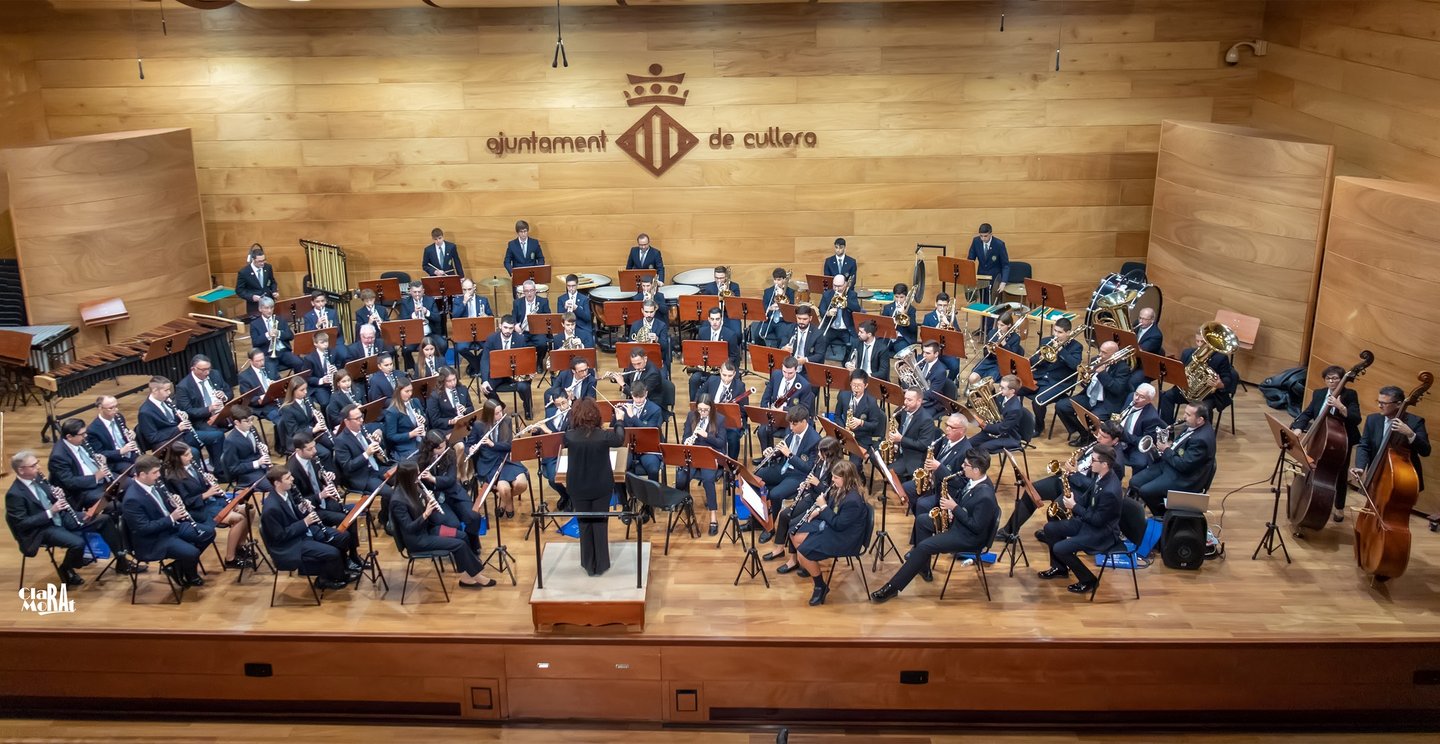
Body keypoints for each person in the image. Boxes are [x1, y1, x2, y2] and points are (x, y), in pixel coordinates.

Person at [870, 449, 998, 603]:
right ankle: (923, 568)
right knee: (922, 520)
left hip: (968, 537)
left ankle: (892, 587)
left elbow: (976, 527)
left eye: (966, 465)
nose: (962, 467)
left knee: (924, 546)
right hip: (959, 524)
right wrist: (952, 509)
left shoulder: (986, 496)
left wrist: (954, 508)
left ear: (976, 470)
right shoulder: (975, 481)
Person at [7, 450, 140, 586]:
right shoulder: (15, 495)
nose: (38, 467)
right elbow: (22, 523)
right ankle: (66, 568)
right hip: (43, 528)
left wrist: (58, 495)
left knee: (104, 520)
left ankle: (121, 561)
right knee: (77, 543)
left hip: (61, 516)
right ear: (21, 470)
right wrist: (50, 511)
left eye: (37, 464)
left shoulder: (39, 479)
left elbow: (48, 498)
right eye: (33, 466)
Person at [999, 421, 1125, 544]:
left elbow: (1098, 488)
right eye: (1099, 434)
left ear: (1115, 441)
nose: (1098, 437)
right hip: (1071, 479)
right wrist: (1073, 466)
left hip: (1083, 493)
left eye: (1104, 437)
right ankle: (1009, 531)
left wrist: (1075, 473)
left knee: (1054, 510)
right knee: (1033, 491)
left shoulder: (1116, 463)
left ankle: (1054, 536)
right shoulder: (1098, 443)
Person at [392, 460, 496, 590]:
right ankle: (476, 576)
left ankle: (466, 576)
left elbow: (418, 508)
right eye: (416, 473)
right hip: (418, 540)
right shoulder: (397, 501)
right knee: (459, 544)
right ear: (409, 477)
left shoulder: (413, 486)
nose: (419, 475)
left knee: (462, 536)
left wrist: (427, 499)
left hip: (428, 529)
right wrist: (426, 513)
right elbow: (409, 527)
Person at [1036, 444, 1124, 594]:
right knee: (1050, 529)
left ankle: (1088, 580)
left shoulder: (1110, 490)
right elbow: (1090, 497)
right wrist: (1072, 500)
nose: (1090, 463)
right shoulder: (1101, 475)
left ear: (1104, 464)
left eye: (1093, 460)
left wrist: (1075, 507)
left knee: (1060, 548)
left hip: (1102, 533)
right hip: (1089, 522)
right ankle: (1060, 568)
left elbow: (1098, 521)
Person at [123, 455, 216, 588]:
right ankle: (190, 576)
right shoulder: (132, 499)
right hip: (153, 540)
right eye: (155, 473)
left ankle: (178, 566)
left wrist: (172, 502)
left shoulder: (154, 484)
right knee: (192, 552)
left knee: (208, 533)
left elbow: (162, 506)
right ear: (142, 474)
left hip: (170, 527)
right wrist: (172, 518)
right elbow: (144, 528)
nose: (158, 476)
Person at [161, 441, 255, 570]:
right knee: (239, 519)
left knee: (249, 511)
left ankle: (240, 546)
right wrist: (206, 494)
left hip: (212, 502)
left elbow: (202, 487)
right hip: (198, 510)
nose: (191, 457)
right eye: (186, 455)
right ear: (177, 458)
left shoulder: (192, 466)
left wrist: (208, 482)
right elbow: (186, 502)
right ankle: (230, 558)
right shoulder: (173, 477)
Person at [259, 465, 355, 591]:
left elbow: (292, 515)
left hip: (303, 531)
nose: (292, 479)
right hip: (291, 543)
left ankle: (341, 570)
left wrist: (302, 510)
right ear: (277, 483)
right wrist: (305, 522)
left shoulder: (286, 491)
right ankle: (325, 579)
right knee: (332, 552)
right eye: (288, 478)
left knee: (343, 537)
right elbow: (280, 536)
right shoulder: (271, 508)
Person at [789, 460, 872, 606]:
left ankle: (820, 586)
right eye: (833, 476)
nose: (832, 480)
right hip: (835, 527)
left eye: (836, 478)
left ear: (847, 478)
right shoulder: (840, 488)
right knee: (794, 534)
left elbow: (838, 524)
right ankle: (810, 567)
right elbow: (834, 513)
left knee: (803, 553)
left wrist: (823, 507)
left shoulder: (853, 500)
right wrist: (818, 511)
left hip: (846, 539)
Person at [1292, 366, 1363, 522]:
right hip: (1319, 438)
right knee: (1313, 466)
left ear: (1342, 379)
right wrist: (1298, 428)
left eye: (1335, 378)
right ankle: (1311, 498)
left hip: (1341, 440)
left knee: (1340, 473)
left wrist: (1341, 407)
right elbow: (1308, 413)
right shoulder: (1319, 393)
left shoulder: (1350, 394)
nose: (1332, 381)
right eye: (1329, 378)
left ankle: (1338, 507)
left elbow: (1356, 418)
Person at [564, 398, 627, 575]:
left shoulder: (569, 436)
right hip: (601, 486)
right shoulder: (604, 436)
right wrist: (619, 420)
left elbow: (564, 434)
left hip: (578, 487)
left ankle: (588, 564)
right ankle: (601, 564)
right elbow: (620, 439)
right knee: (600, 524)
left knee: (584, 524)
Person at [763, 436, 844, 572]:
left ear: (829, 454)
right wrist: (806, 485)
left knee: (793, 523)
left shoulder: (838, 469)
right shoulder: (820, 461)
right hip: (812, 497)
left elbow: (833, 495)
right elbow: (813, 481)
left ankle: (794, 559)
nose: (818, 454)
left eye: (821, 452)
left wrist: (817, 483)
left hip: (824, 505)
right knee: (784, 515)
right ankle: (779, 548)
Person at [1350, 384, 1431, 520]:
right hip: (1377, 474)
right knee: (1371, 513)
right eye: (1379, 402)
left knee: (1394, 518)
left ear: (1398, 404)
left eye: (1384, 403)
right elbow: (1364, 445)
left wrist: (1410, 434)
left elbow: (1426, 451)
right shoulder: (1373, 419)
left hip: (1401, 482)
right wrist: (1360, 466)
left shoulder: (1414, 422)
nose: (1380, 406)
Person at [1129, 402, 1216, 517]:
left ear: (1200, 419)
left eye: (1188, 415)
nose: (1184, 416)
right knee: (1135, 482)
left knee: (1146, 491)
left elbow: (1184, 465)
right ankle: (1156, 507)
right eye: (1185, 412)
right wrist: (1170, 446)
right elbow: (1182, 447)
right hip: (1171, 464)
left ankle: (1164, 516)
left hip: (1185, 477)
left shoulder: (1202, 440)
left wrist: (1166, 450)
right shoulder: (1193, 425)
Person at [902, 413, 973, 544]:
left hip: (948, 492)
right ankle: (926, 528)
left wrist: (939, 467)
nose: (947, 429)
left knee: (922, 504)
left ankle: (920, 544)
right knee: (906, 488)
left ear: (962, 431)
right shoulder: (946, 439)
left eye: (952, 427)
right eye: (947, 425)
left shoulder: (966, 450)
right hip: (935, 482)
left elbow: (961, 482)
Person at [754, 405, 819, 542]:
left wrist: (789, 455)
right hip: (783, 468)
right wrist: (773, 452)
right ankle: (757, 518)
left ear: (804, 422)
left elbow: (808, 468)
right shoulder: (791, 432)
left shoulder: (815, 440)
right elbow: (783, 449)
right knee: (756, 477)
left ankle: (769, 527)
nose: (791, 427)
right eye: (790, 423)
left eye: (794, 424)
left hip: (798, 475)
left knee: (775, 494)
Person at [1055, 341, 1133, 446]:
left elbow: (1117, 389)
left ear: (1113, 354)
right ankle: (1085, 434)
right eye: (1100, 351)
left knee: (1093, 418)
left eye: (1104, 353)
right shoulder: (1095, 360)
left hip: (1106, 402)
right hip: (1089, 397)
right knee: (1062, 406)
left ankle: (1090, 436)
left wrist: (1102, 373)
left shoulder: (1122, 368)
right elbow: (1087, 382)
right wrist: (1084, 380)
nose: (1100, 355)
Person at [418, 430, 485, 548]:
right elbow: (422, 485)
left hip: (453, 493)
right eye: (439, 448)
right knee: (453, 524)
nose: (443, 450)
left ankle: (472, 543)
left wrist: (433, 478)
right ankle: (459, 548)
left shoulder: (450, 454)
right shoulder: (421, 460)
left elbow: (451, 479)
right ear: (430, 448)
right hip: (437, 498)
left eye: (444, 446)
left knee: (474, 517)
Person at [465, 399, 531, 519]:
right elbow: (469, 444)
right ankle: (509, 503)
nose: (500, 415)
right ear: (489, 414)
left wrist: (493, 444)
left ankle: (503, 502)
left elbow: (509, 445)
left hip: (507, 460)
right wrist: (471, 449)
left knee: (522, 484)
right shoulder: (478, 426)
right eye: (496, 413)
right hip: (489, 463)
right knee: (504, 488)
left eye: (501, 411)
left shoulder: (506, 421)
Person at [332, 403, 396, 521]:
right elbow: (348, 466)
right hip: (362, 476)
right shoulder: (340, 441)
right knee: (390, 493)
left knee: (402, 478)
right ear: (347, 421)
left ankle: (384, 514)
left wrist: (378, 442)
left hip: (377, 468)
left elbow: (375, 451)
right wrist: (366, 453)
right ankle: (387, 520)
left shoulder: (363, 430)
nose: (361, 420)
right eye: (357, 419)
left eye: (361, 417)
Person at [1159, 330, 1236, 424]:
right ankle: (1167, 431)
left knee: (1205, 409)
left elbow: (1227, 378)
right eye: (1197, 341)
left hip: (1207, 396)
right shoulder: (1187, 353)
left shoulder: (1220, 358)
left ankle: (1204, 434)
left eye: (1202, 342)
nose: (1199, 345)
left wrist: (1220, 384)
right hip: (1187, 391)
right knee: (1167, 397)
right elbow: (1181, 371)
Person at [675, 395, 727, 534]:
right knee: (682, 477)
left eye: (705, 410)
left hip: (710, 454)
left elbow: (721, 443)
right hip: (693, 454)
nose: (702, 413)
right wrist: (687, 441)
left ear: (711, 408)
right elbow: (685, 435)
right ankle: (686, 508)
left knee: (708, 480)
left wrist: (706, 436)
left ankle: (713, 516)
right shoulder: (691, 416)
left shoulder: (720, 419)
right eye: (700, 410)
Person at [286, 432, 350, 534]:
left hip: (325, 501)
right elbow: (297, 502)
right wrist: (320, 495)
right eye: (309, 449)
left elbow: (316, 478)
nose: (314, 451)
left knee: (351, 516)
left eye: (314, 447)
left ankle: (352, 549)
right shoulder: (291, 471)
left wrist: (325, 477)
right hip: (313, 509)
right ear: (298, 451)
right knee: (345, 519)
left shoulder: (312, 458)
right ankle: (341, 545)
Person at [1028, 317, 1083, 435]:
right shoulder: (1046, 341)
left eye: (1060, 332)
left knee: (1038, 401)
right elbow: (1033, 360)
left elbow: (1075, 365)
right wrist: (1040, 358)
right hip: (1041, 377)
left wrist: (1062, 351)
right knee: (1014, 385)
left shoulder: (1076, 347)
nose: (1056, 335)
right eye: (1055, 331)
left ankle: (1039, 427)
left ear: (1068, 333)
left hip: (1059, 382)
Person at [172, 354, 230, 463]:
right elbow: (188, 411)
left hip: (221, 412)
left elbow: (229, 391)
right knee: (216, 434)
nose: (207, 372)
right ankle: (219, 466)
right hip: (201, 420)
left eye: (208, 368)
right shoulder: (183, 386)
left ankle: (234, 459)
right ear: (193, 369)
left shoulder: (215, 374)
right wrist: (209, 409)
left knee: (243, 416)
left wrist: (224, 396)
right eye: (203, 370)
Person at [479, 316, 535, 420]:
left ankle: (528, 408)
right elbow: (485, 360)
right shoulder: (491, 338)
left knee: (524, 387)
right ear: (500, 326)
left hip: (515, 374)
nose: (508, 331)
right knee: (486, 388)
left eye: (510, 328)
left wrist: (530, 371)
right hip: (497, 373)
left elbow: (526, 358)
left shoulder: (520, 338)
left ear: (514, 328)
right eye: (505, 327)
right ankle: (500, 405)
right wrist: (485, 380)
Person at [49, 418, 110, 510]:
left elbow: (87, 457)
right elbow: (70, 482)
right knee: (113, 503)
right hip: (83, 491)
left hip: (101, 479)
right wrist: (96, 477)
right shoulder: (58, 456)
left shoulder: (79, 441)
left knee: (129, 485)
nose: (85, 436)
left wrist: (99, 458)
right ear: (69, 436)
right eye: (82, 434)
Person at [755, 357, 814, 452]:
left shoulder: (804, 385)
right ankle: (767, 459)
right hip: (774, 416)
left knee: (789, 435)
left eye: (790, 373)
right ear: (782, 367)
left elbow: (804, 409)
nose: (786, 375)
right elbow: (766, 396)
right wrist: (766, 410)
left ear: (796, 369)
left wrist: (784, 409)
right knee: (762, 431)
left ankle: (782, 460)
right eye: (784, 371)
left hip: (792, 420)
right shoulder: (776, 375)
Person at [688, 307, 741, 400]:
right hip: (706, 368)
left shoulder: (730, 334)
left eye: (717, 319)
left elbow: (734, 356)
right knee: (694, 379)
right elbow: (698, 351)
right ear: (708, 319)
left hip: (722, 370)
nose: (715, 322)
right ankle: (694, 406)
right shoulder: (702, 331)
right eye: (712, 319)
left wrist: (722, 365)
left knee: (714, 380)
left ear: (721, 319)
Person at [219, 406, 275, 493]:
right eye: (247, 421)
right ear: (237, 422)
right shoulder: (230, 441)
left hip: (262, 467)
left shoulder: (252, 429)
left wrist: (263, 448)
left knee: (283, 477)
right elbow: (234, 468)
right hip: (247, 475)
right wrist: (257, 463)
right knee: (274, 487)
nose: (251, 423)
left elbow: (256, 449)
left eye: (251, 419)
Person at [277, 377, 332, 464]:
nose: (306, 392)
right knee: (325, 453)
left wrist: (317, 417)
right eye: (302, 390)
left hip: (312, 433)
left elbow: (309, 419)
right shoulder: (287, 409)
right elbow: (294, 432)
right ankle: (324, 474)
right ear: (293, 391)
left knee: (332, 444)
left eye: (306, 389)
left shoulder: (307, 399)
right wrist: (313, 430)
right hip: (298, 440)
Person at [885, 387, 935, 480]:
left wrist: (901, 439)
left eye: (909, 400)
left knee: (889, 471)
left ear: (919, 401)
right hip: (900, 449)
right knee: (875, 457)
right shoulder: (905, 410)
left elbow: (923, 445)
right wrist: (896, 443)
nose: (905, 402)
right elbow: (902, 429)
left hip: (912, 456)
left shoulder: (926, 420)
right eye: (905, 399)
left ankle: (903, 485)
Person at [834, 370, 883, 467]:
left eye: (859, 385)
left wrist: (861, 422)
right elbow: (837, 416)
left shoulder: (872, 402)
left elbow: (874, 425)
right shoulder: (843, 396)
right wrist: (844, 428)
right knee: (831, 455)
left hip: (862, 438)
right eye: (853, 385)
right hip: (845, 434)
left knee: (854, 465)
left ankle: (859, 476)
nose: (856, 388)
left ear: (866, 385)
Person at [701, 360, 747, 460]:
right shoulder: (712, 380)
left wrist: (740, 419)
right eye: (724, 375)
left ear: (734, 374)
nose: (726, 379)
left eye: (730, 376)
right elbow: (699, 396)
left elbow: (744, 409)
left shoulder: (740, 386)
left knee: (733, 438)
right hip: (710, 418)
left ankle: (731, 465)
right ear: (720, 372)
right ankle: (708, 461)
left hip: (729, 422)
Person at [1115, 383, 1164, 475]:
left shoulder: (1151, 417)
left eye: (1142, 397)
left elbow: (1144, 441)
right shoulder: (1130, 397)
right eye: (1136, 394)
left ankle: (1134, 486)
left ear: (1149, 401)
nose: (1136, 398)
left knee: (1140, 463)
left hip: (1135, 445)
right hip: (1118, 435)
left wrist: (1123, 434)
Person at [618, 384, 664, 482]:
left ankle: (653, 496)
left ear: (646, 393)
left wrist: (632, 416)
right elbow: (615, 429)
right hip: (628, 449)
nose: (638, 400)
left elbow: (648, 430)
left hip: (648, 449)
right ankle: (622, 497)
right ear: (631, 394)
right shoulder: (624, 407)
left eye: (641, 397)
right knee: (619, 468)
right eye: (635, 397)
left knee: (653, 469)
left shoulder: (655, 409)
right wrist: (617, 417)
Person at [87, 395, 140, 477]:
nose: (116, 410)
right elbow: (100, 453)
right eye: (111, 408)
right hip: (115, 461)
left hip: (130, 454)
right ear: (100, 408)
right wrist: (121, 451)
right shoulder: (93, 430)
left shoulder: (118, 417)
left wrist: (131, 433)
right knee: (138, 473)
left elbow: (125, 432)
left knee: (150, 465)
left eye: (116, 406)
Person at [451, 277, 494, 376]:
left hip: (481, 331)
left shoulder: (483, 300)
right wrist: (464, 302)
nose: (467, 292)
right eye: (464, 290)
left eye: (469, 289)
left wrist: (486, 316)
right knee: (460, 348)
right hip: (465, 332)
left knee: (491, 346)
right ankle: (477, 364)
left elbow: (491, 317)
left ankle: (474, 364)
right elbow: (455, 316)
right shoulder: (458, 301)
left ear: (474, 287)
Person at [974, 375, 1027, 454]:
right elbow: (997, 408)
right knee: (969, 443)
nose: (999, 389)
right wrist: (983, 401)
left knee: (982, 448)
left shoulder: (1015, 409)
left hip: (1009, 437)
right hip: (995, 431)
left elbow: (1003, 428)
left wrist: (984, 425)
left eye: (1002, 388)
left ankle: (977, 465)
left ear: (1012, 391)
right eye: (1000, 386)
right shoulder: (1002, 396)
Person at [398, 282, 448, 365]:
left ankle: (438, 364)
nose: (417, 294)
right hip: (414, 335)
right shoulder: (405, 302)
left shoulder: (430, 300)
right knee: (405, 349)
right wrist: (414, 315)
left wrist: (427, 312)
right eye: (414, 292)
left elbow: (437, 318)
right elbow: (403, 320)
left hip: (429, 333)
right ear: (410, 291)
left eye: (419, 292)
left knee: (443, 344)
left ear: (423, 291)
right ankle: (413, 369)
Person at [250, 297, 303, 374]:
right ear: (260, 309)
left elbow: (290, 336)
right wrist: (268, 334)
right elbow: (255, 342)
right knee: (272, 374)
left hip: (283, 352)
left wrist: (278, 333)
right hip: (268, 355)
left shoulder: (280, 320)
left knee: (299, 363)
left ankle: (298, 384)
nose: (269, 311)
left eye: (271, 308)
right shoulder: (255, 324)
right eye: (266, 308)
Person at [968, 311, 1022, 385]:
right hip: (989, 360)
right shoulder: (992, 333)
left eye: (1002, 325)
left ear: (1009, 325)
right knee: (972, 378)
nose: (999, 327)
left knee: (988, 383)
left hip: (1001, 365)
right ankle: (979, 395)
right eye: (998, 324)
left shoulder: (1016, 338)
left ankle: (990, 394)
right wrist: (987, 349)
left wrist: (1004, 344)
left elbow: (1012, 358)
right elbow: (985, 354)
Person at [383, 376, 427, 462]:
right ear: (398, 392)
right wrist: (411, 434)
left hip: (421, 439)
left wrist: (423, 420)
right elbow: (391, 436)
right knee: (421, 457)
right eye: (407, 391)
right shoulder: (392, 411)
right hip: (405, 446)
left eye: (411, 390)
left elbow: (425, 419)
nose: (410, 394)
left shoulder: (415, 402)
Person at [818, 274, 861, 361]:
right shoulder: (827, 294)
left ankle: (847, 363)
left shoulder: (852, 295)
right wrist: (828, 313)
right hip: (831, 328)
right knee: (820, 341)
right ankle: (819, 362)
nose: (836, 288)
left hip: (846, 329)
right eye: (834, 285)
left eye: (839, 286)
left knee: (854, 343)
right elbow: (821, 310)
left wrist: (846, 302)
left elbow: (857, 309)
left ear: (845, 284)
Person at [922, 292, 962, 379]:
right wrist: (937, 327)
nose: (942, 308)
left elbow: (958, 334)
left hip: (947, 351)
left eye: (945, 306)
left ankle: (948, 384)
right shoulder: (928, 317)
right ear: (935, 304)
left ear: (948, 306)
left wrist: (948, 323)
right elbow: (924, 336)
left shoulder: (951, 317)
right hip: (932, 350)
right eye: (940, 305)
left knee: (955, 366)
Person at [966, 223, 1009, 305]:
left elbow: (1005, 265)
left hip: (995, 278)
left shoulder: (999, 244)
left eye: (985, 236)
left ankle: (992, 318)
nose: (983, 238)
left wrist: (1003, 282)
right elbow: (970, 260)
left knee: (992, 304)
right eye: (981, 236)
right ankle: (983, 318)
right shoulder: (976, 241)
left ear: (991, 234)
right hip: (981, 277)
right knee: (983, 302)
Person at [427, 366, 474, 439]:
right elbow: (435, 421)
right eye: (449, 381)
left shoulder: (463, 389)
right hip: (446, 428)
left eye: (454, 379)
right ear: (442, 381)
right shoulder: (435, 396)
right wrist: (451, 421)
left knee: (480, 430)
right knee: (460, 445)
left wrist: (465, 410)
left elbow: (471, 408)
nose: (453, 383)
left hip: (464, 423)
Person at [235, 243, 279, 317]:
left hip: (268, 305)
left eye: (264, 260)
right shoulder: (244, 272)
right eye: (259, 261)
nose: (262, 263)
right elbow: (239, 290)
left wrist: (274, 291)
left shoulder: (268, 267)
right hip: (254, 307)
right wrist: (251, 297)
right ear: (253, 260)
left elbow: (273, 282)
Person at [754, 268, 795, 347]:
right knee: (757, 335)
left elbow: (792, 308)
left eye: (779, 280)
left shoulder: (791, 292)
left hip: (782, 321)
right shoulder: (768, 291)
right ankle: (764, 352)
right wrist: (770, 308)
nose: (776, 282)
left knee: (783, 338)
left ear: (784, 280)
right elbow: (764, 306)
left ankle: (779, 355)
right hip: (769, 319)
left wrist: (784, 305)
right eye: (775, 280)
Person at [628, 299, 672, 369]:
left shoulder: (662, 325)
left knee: (662, 377)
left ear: (655, 311)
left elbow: (665, 347)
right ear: (642, 311)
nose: (649, 315)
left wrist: (657, 339)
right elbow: (630, 346)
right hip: (638, 361)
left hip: (656, 360)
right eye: (646, 312)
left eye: (651, 312)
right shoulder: (635, 325)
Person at [301, 329, 340, 409]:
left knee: (341, 399)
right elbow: (307, 378)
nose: (325, 345)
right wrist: (322, 380)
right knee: (326, 403)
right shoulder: (309, 359)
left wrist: (336, 370)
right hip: (319, 386)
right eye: (322, 342)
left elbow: (341, 367)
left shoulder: (333, 352)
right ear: (315, 344)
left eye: (326, 341)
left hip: (334, 382)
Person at [555, 274, 594, 340]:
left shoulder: (584, 299)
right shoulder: (561, 299)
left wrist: (576, 308)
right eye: (569, 286)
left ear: (577, 285)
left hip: (580, 327)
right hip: (566, 327)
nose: (571, 288)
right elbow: (559, 318)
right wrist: (565, 307)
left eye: (573, 286)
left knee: (588, 337)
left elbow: (588, 317)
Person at [881, 283, 918, 348]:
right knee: (879, 349)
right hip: (888, 337)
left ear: (906, 297)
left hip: (902, 338)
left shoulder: (911, 309)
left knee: (902, 350)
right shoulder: (887, 307)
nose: (899, 300)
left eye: (901, 297)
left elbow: (913, 329)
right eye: (896, 297)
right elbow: (883, 325)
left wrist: (905, 315)